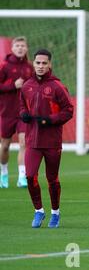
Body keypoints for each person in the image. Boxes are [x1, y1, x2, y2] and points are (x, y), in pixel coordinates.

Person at [19, 49, 74, 228]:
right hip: (33, 141)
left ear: (50, 64)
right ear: (33, 64)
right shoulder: (27, 86)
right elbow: (21, 106)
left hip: (52, 142)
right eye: (38, 63)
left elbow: (68, 111)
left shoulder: (58, 86)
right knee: (29, 176)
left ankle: (55, 213)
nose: (41, 66)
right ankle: (39, 211)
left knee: (52, 179)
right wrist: (23, 114)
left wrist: (50, 119)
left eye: (44, 63)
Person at [0, 36, 33, 189]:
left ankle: (22, 177)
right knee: (5, 146)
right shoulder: (4, 66)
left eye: (23, 46)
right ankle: (4, 173)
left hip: (23, 113)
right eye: (17, 45)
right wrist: (13, 85)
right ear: (12, 49)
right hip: (6, 113)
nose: (20, 48)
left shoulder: (30, 67)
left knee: (23, 143)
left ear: (26, 49)